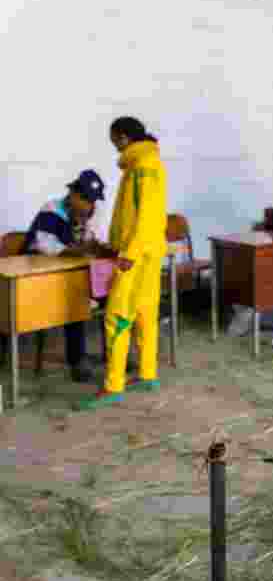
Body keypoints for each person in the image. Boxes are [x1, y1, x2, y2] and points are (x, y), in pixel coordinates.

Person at [77, 117, 168, 410]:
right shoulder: (143, 163)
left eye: (114, 139)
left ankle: (114, 385)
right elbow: (140, 215)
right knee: (144, 312)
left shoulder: (143, 166)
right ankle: (147, 373)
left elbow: (146, 216)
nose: (113, 145)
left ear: (124, 137)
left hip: (135, 255)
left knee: (118, 315)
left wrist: (127, 252)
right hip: (146, 252)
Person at [23, 170, 107, 383]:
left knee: (112, 293)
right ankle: (77, 359)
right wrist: (78, 249)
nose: (90, 206)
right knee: (74, 296)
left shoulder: (93, 212)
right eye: (86, 199)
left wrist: (96, 245)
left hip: (75, 271)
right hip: (40, 275)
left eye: (94, 200)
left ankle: (115, 352)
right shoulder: (51, 210)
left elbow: (93, 240)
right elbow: (44, 246)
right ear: (72, 194)